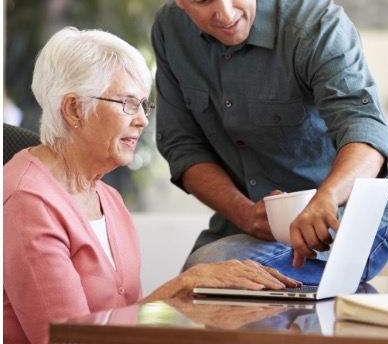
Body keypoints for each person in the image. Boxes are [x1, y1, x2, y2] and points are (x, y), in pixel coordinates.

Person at [152, 0, 388, 282]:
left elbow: (366, 134)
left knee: (206, 275)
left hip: (347, 221)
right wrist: (242, 212)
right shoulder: (170, 30)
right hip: (241, 226)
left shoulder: (317, 25)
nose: (225, 12)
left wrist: (325, 198)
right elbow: (182, 147)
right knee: (199, 283)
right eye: (202, 0)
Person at [3, 27, 301, 344]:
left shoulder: (109, 199)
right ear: (74, 109)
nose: (143, 121)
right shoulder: (27, 203)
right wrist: (178, 288)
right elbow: (67, 340)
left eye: (144, 105)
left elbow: (126, 318)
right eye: (129, 103)